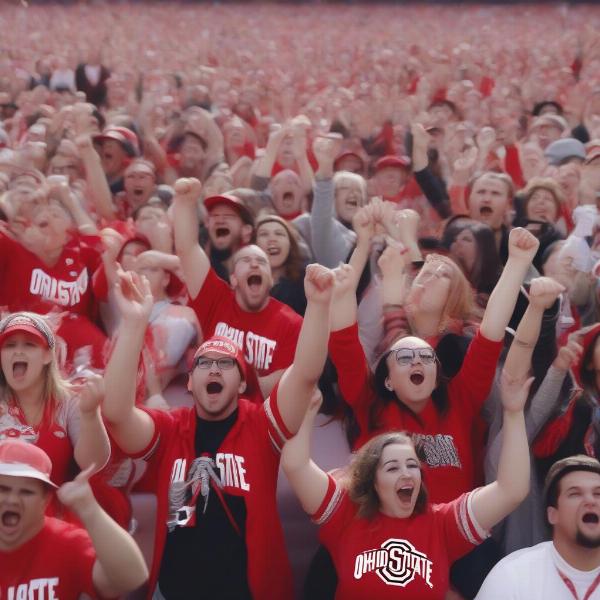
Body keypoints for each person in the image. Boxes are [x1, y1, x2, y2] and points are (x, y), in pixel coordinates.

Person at [101, 262, 337, 599]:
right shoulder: (170, 429)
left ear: (242, 384)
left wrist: (318, 306)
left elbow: (305, 374)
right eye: (204, 363)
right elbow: (116, 413)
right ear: (191, 384)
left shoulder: (262, 425)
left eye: (225, 364)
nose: (214, 368)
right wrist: (135, 322)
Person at [281, 363, 532, 599]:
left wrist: (513, 413)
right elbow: (296, 466)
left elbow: (512, 490)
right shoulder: (345, 514)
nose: (406, 473)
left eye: (412, 465)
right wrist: (305, 411)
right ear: (373, 481)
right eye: (392, 467)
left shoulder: (442, 524)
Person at [329, 227, 539, 502]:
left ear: (439, 373)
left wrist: (516, 264)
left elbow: (490, 333)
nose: (417, 360)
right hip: (383, 537)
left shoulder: (460, 397)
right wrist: (341, 294)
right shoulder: (371, 401)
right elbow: (345, 346)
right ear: (387, 378)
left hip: (451, 535)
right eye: (404, 358)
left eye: (427, 357)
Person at [173, 177, 303, 399]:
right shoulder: (216, 298)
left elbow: (292, 376)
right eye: (245, 261)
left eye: (261, 262)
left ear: (271, 281)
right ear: (233, 279)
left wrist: (235, 389)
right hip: (207, 410)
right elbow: (187, 250)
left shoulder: (292, 323)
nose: (254, 263)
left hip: (257, 421)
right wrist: (185, 203)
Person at [0, 439, 148, 598]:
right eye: (3, 489)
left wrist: (90, 510)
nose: (13, 500)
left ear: (46, 499)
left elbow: (131, 579)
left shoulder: (67, 542)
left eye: (26, 492)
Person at [0, 312, 110, 516]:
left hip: (54, 523)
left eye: (29, 345)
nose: (18, 352)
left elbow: (93, 463)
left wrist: (90, 414)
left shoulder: (70, 400)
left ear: (47, 355)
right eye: (10, 345)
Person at [476, 455, 600, 600]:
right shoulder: (512, 575)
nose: (590, 501)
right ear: (552, 515)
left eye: (598, 494)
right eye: (575, 494)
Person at [254, 213, 307, 315]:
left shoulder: (306, 282)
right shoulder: (243, 282)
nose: (272, 239)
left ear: (291, 245)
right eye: (264, 234)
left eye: (279, 234)